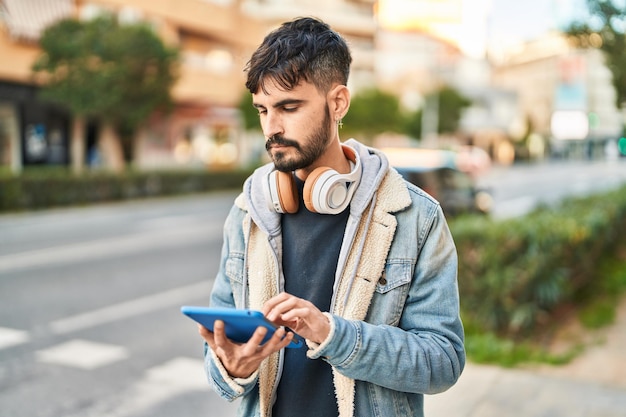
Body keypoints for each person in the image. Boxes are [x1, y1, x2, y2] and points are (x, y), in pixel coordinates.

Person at [197, 16, 465, 417]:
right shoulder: (248, 212)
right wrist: (231, 367)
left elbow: (442, 361)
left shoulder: (415, 216)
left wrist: (332, 334)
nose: (272, 127)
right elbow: (218, 358)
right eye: (263, 110)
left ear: (337, 102)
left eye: (289, 107)